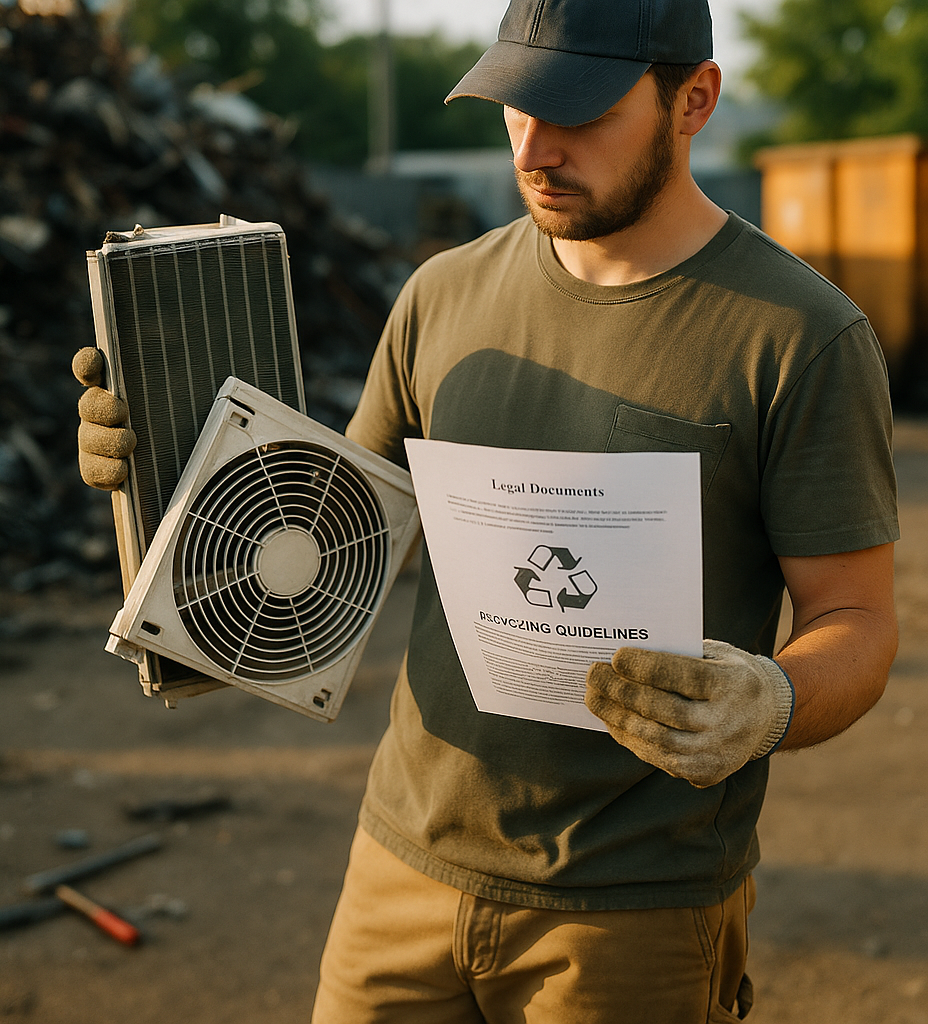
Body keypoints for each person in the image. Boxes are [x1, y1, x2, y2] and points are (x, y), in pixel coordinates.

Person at [75, 1, 899, 1019]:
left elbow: (857, 623)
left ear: (694, 100)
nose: (536, 147)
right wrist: (157, 470)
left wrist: (769, 700)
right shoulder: (440, 297)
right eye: (514, 106)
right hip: (401, 866)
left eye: (579, 111)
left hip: (627, 910)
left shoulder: (801, 338)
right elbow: (336, 537)